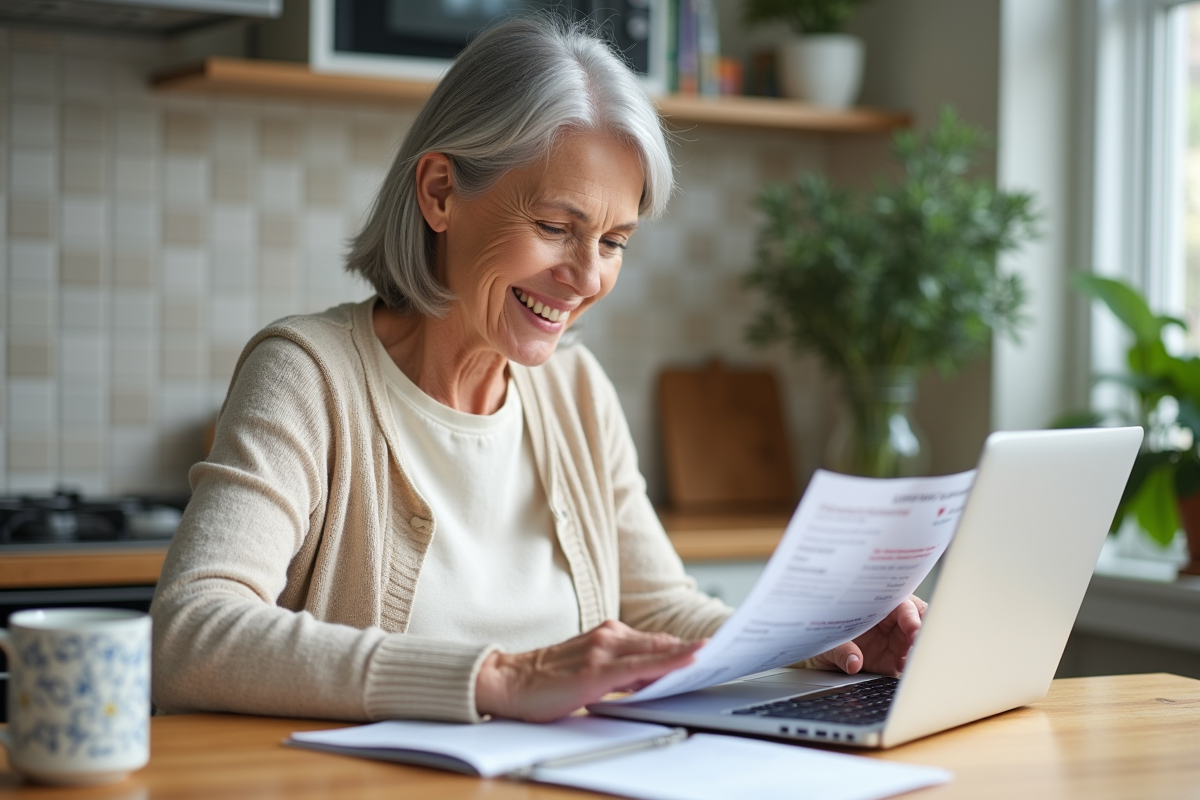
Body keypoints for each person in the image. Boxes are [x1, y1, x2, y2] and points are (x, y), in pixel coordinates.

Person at [150, 16, 927, 724]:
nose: (588, 276)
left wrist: (814, 641)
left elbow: (661, 611)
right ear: (441, 192)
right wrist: (500, 678)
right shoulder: (309, 377)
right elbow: (190, 632)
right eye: (557, 227)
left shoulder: (577, 393)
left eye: (615, 241)